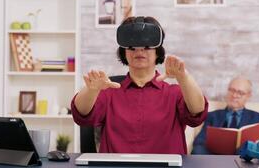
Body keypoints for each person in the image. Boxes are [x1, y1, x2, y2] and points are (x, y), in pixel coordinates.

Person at [71, 16, 209, 154]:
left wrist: (183, 77)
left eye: (147, 45)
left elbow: (197, 112)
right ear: (124, 52)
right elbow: (81, 114)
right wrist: (91, 90)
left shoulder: (174, 93)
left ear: (157, 52)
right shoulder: (109, 93)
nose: (139, 50)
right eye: (132, 46)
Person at [192, 76, 259, 154]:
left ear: (248, 96)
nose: (235, 95)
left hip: (246, 160)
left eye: (240, 92)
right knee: (197, 150)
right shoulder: (213, 116)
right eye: (232, 90)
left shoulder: (258, 118)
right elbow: (199, 142)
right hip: (217, 159)